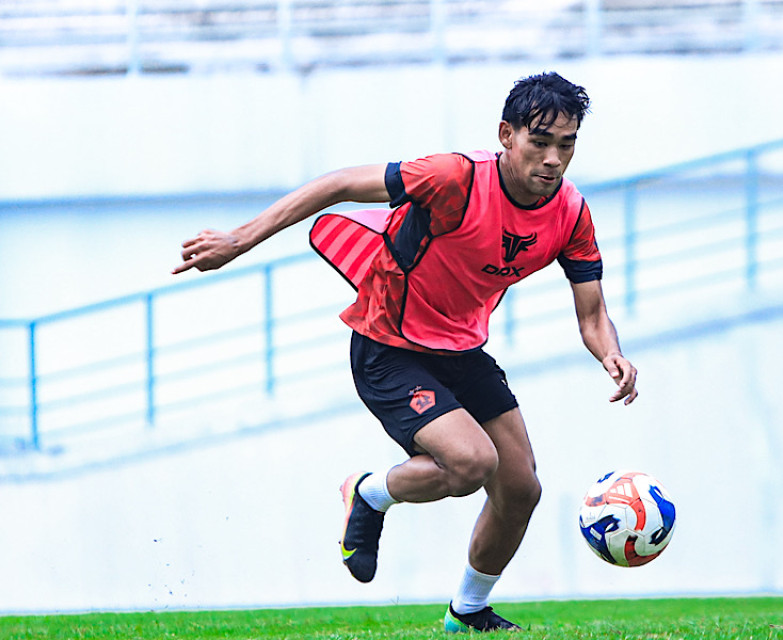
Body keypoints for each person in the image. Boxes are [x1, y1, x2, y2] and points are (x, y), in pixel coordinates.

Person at [173, 72, 639, 633]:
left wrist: (611, 354)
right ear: (506, 135)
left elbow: (591, 313)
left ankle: (467, 613)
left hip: (461, 348)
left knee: (520, 488)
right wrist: (238, 240)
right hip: (387, 343)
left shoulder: (569, 213)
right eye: (539, 141)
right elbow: (340, 183)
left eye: (566, 145)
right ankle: (367, 493)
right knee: (471, 463)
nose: (552, 159)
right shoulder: (454, 178)